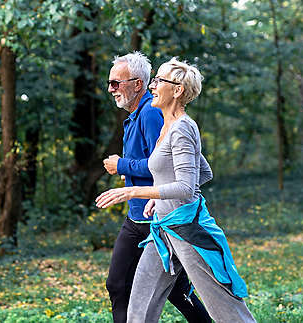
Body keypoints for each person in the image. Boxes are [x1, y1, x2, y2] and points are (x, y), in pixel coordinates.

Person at [96, 57, 256, 323]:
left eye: (159, 80)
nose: (153, 85)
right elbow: (202, 172)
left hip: (187, 229)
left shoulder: (182, 128)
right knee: (139, 306)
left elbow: (185, 186)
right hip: (162, 229)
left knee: (226, 310)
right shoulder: (168, 126)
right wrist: (159, 198)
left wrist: (134, 192)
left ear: (178, 90)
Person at [102, 52, 212, 323]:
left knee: (177, 292)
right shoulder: (135, 117)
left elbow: (163, 167)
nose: (111, 89)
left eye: (117, 83)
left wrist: (123, 166)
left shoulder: (152, 114)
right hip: (138, 216)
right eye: (110, 83)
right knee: (118, 285)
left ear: (137, 84)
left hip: (159, 217)